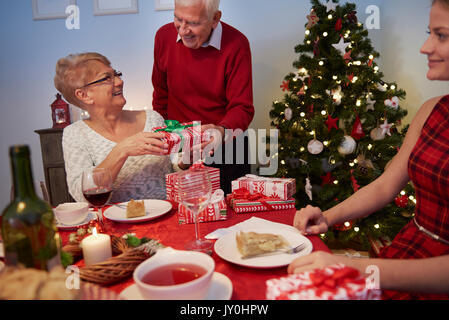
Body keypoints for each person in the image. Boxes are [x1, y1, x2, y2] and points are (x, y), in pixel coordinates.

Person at [289, 0, 449, 300]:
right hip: (408, 250)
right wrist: (327, 217)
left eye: (441, 35)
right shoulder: (432, 110)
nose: (425, 47)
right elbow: (386, 186)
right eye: (430, 32)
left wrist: (356, 267)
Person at [152, 0, 255, 194]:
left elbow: (242, 107)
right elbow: (160, 95)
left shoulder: (237, 44)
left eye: (193, 23)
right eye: (177, 18)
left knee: (230, 219)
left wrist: (221, 131)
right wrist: (168, 138)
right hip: (181, 148)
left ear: (215, 18)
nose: (182, 30)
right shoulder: (163, 37)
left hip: (226, 146)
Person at [55, 52, 176, 203]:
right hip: (117, 225)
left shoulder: (152, 118)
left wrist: (186, 160)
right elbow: (82, 195)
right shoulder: (75, 134)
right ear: (84, 95)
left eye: (116, 74)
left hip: (167, 218)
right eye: (107, 78)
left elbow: (174, 166)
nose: (119, 82)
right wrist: (121, 150)